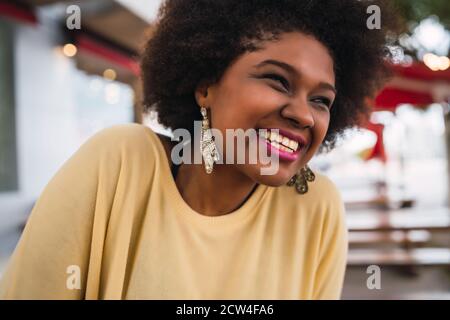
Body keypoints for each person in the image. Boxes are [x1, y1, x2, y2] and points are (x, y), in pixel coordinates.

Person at [0, 0, 398, 299]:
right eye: (277, 80)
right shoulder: (119, 163)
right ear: (205, 85)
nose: (303, 115)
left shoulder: (316, 206)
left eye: (322, 100)